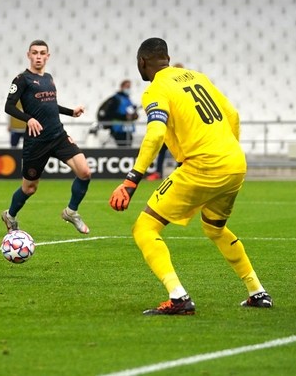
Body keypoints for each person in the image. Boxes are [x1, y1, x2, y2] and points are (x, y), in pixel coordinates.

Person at [109, 38, 271, 315]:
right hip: (234, 162)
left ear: (141, 63)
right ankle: (257, 291)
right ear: (168, 58)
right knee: (215, 228)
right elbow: (233, 114)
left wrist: (131, 180)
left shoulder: (156, 89)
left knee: (144, 228)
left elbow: (157, 133)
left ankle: (178, 297)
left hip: (202, 166)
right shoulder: (198, 77)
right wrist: (227, 151)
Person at [1, 40, 92, 235]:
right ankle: (10, 215)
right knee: (29, 188)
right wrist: (29, 119)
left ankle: (71, 211)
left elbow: (51, 105)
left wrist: (71, 112)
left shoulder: (49, 78)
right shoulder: (21, 79)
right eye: (35, 53)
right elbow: (8, 106)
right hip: (36, 141)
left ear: (48, 56)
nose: (39, 56)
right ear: (29, 55)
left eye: (42, 53)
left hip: (58, 135)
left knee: (85, 172)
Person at [99, 79, 139, 147]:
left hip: (127, 129)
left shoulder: (128, 99)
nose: (128, 89)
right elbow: (111, 113)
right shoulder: (115, 99)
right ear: (121, 87)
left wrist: (134, 116)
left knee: (128, 147)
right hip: (118, 129)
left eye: (129, 87)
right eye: (127, 87)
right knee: (122, 148)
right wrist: (124, 117)